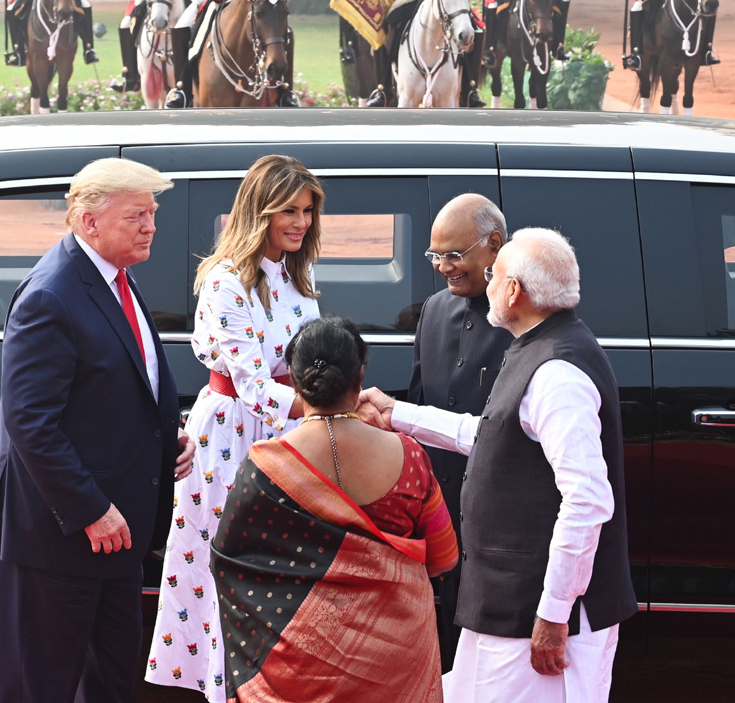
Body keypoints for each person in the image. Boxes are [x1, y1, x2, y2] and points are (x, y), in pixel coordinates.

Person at [360, 228, 637, 703]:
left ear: (514, 291)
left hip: (536, 619)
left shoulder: (557, 373)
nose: (486, 284)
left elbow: (588, 500)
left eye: (495, 274)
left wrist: (553, 615)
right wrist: (398, 415)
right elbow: (493, 437)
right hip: (507, 607)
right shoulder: (539, 346)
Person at [0, 157, 196, 703]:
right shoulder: (51, 295)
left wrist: (169, 439)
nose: (150, 227)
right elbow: (31, 421)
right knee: (41, 686)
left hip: (114, 531)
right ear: (89, 221)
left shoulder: (115, 276)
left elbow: (118, 386)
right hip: (56, 534)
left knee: (112, 681)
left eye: (152, 213)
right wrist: (91, 510)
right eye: (136, 215)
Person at [146, 154, 324, 701]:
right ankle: (221, 688)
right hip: (229, 438)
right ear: (259, 210)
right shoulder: (224, 281)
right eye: (288, 211)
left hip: (289, 438)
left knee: (283, 568)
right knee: (225, 565)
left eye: (307, 212)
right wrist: (330, 410)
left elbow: (309, 360)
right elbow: (250, 384)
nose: (300, 223)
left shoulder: (301, 276)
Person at [212, 317, 458, 702]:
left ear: (294, 382)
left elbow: (230, 561)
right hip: (395, 663)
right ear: (359, 379)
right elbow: (444, 558)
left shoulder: (263, 470)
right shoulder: (409, 456)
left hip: (298, 670)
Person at [410, 194, 512, 668]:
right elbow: (415, 412)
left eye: (454, 254)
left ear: (494, 245)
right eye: (435, 256)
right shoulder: (432, 311)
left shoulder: (525, 320)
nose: (442, 267)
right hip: (438, 532)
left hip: (497, 539)